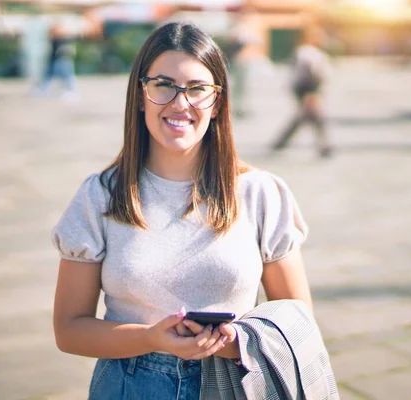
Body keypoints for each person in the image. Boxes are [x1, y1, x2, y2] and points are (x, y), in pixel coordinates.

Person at [51, 22, 313, 399]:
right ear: (141, 95)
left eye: (197, 89)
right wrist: (150, 337)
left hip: (234, 384)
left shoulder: (260, 193)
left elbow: (298, 322)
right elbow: (69, 329)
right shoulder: (99, 196)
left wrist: (226, 343)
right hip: (129, 385)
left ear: (217, 101)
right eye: (164, 85)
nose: (180, 103)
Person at [271, 24, 332, 157]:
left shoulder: (309, 52)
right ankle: (325, 147)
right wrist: (310, 93)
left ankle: (280, 143)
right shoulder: (306, 52)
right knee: (316, 118)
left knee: (304, 118)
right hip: (308, 90)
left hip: (309, 90)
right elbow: (308, 75)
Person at [33, 21, 77, 99]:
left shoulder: (64, 39)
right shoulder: (56, 39)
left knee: (66, 76)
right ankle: (43, 89)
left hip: (62, 60)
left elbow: (68, 51)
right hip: (55, 60)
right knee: (49, 75)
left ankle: (70, 90)